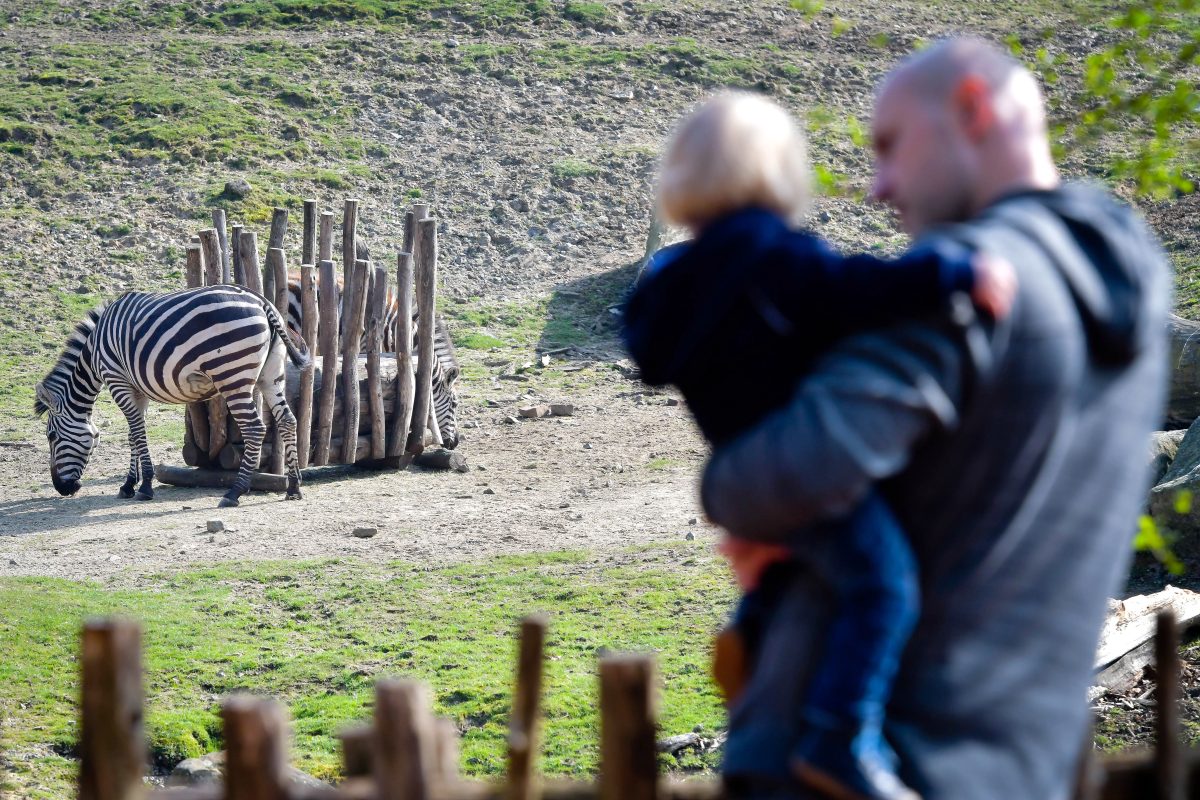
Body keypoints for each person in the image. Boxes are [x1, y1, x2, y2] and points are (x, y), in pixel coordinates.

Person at [701, 38, 1170, 799]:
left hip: (854, 773)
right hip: (1016, 767)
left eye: (890, 146)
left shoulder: (962, 293)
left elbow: (780, 477)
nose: (879, 187)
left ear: (975, 110)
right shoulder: (1130, 302)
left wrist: (729, 483)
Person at [622, 91, 1015, 800]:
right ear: (778, 175)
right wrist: (956, 274)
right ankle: (839, 733)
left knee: (795, 566)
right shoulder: (780, 260)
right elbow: (860, 288)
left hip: (737, 462)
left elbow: (643, 348)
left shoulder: (671, 282)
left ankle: (754, 628)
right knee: (885, 584)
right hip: (802, 466)